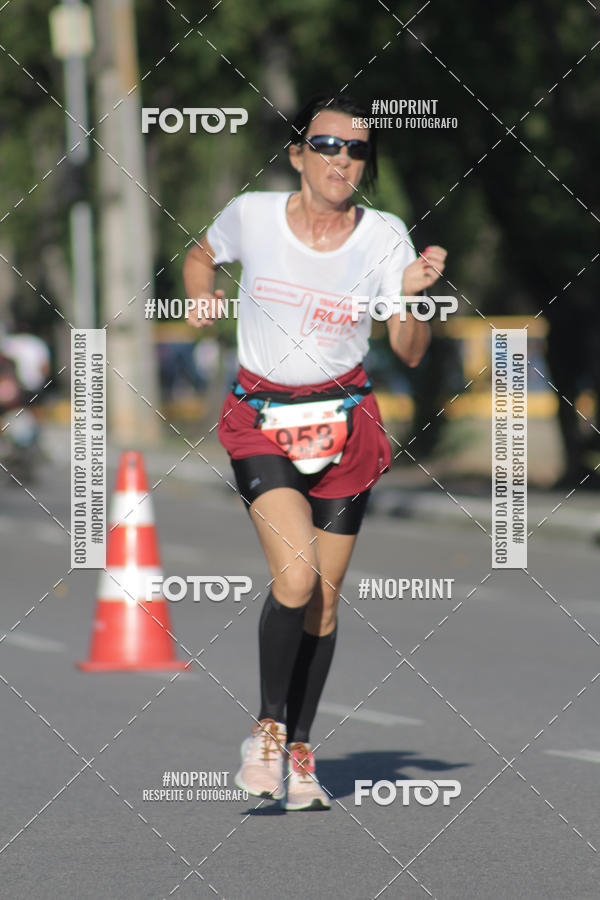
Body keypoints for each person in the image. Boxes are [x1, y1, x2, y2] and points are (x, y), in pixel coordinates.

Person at [183, 94, 447, 811]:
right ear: (298, 154)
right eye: (327, 145)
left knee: (323, 606)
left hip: (346, 424)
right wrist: (201, 294)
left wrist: (412, 298)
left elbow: (410, 351)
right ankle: (267, 729)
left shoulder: (385, 236)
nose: (342, 159)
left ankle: (300, 749)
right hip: (263, 418)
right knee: (295, 578)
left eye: (357, 149)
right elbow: (201, 253)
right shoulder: (253, 215)